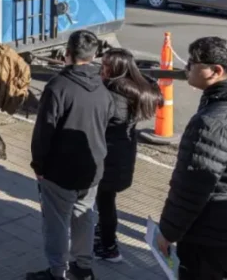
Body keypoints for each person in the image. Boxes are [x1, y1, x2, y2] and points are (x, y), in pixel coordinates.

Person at [27, 30, 113, 280]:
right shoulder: (102, 88)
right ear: (94, 55)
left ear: (67, 54)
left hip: (59, 170)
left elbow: (44, 132)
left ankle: (56, 272)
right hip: (93, 167)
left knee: (56, 223)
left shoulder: (58, 86)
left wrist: (38, 165)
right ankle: (83, 267)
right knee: (84, 217)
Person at [156, 36, 227, 279]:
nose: (185, 68)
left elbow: (191, 187)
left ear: (216, 71)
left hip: (208, 234)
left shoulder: (210, 121)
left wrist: (167, 232)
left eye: (192, 63)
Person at [95, 49, 163, 263]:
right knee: (107, 201)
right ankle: (104, 236)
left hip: (108, 157)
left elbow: (99, 122)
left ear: (115, 68)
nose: (101, 68)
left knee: (104, 203)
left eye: (105, 64)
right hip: (123, 154)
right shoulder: (139, 89)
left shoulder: (113, 93)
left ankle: (109, 247)